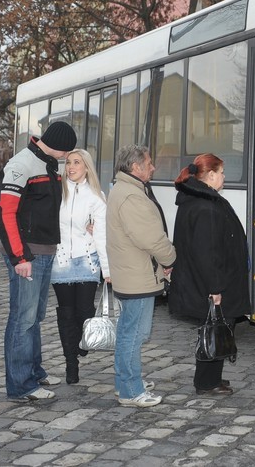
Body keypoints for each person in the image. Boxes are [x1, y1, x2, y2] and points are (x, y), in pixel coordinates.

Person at [0, 121, 77, 401]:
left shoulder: (49, 164)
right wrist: (20, 257)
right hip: (28, 254)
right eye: (67, 151)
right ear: (59, 145)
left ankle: (34, 372)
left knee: (34, 318)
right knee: (23, 319)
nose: (68, 156)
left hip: (44, 252)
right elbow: (4, 214)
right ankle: (21, 386)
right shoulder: (22, 164)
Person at [169, 153, 251, 396]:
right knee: (215, 329)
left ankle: (212, 378)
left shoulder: (198, 201)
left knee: (217, 328)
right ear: (211, 175)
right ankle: (206, 382)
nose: (224, 177)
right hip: (216, 283)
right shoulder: (206, 206)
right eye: (222, 172)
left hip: (210, 280)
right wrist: (215, 289)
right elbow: (208, 253)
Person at [107, 145, 175, 407]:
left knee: (130, 331)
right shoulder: (132, 196)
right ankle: (131, 390)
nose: (153, 167)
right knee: (134, 334)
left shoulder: (125, 189)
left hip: (133, 273)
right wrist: (170, 258)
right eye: (149, 163)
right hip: (137, 276)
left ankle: (124, 382)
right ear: (135, 167)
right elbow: (151, 239)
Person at [51, 149, 110, 385]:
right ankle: (70, 364)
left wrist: (108, 270)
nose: (71, 167)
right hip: (62, 261)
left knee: (85, 311)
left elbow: (103, 235)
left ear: (87, 167)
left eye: (77, 162)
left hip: (87, 260)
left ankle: (82, 343)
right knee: (66, 313)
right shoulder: (58, 192)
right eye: (68, 163)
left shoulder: (96, 196)